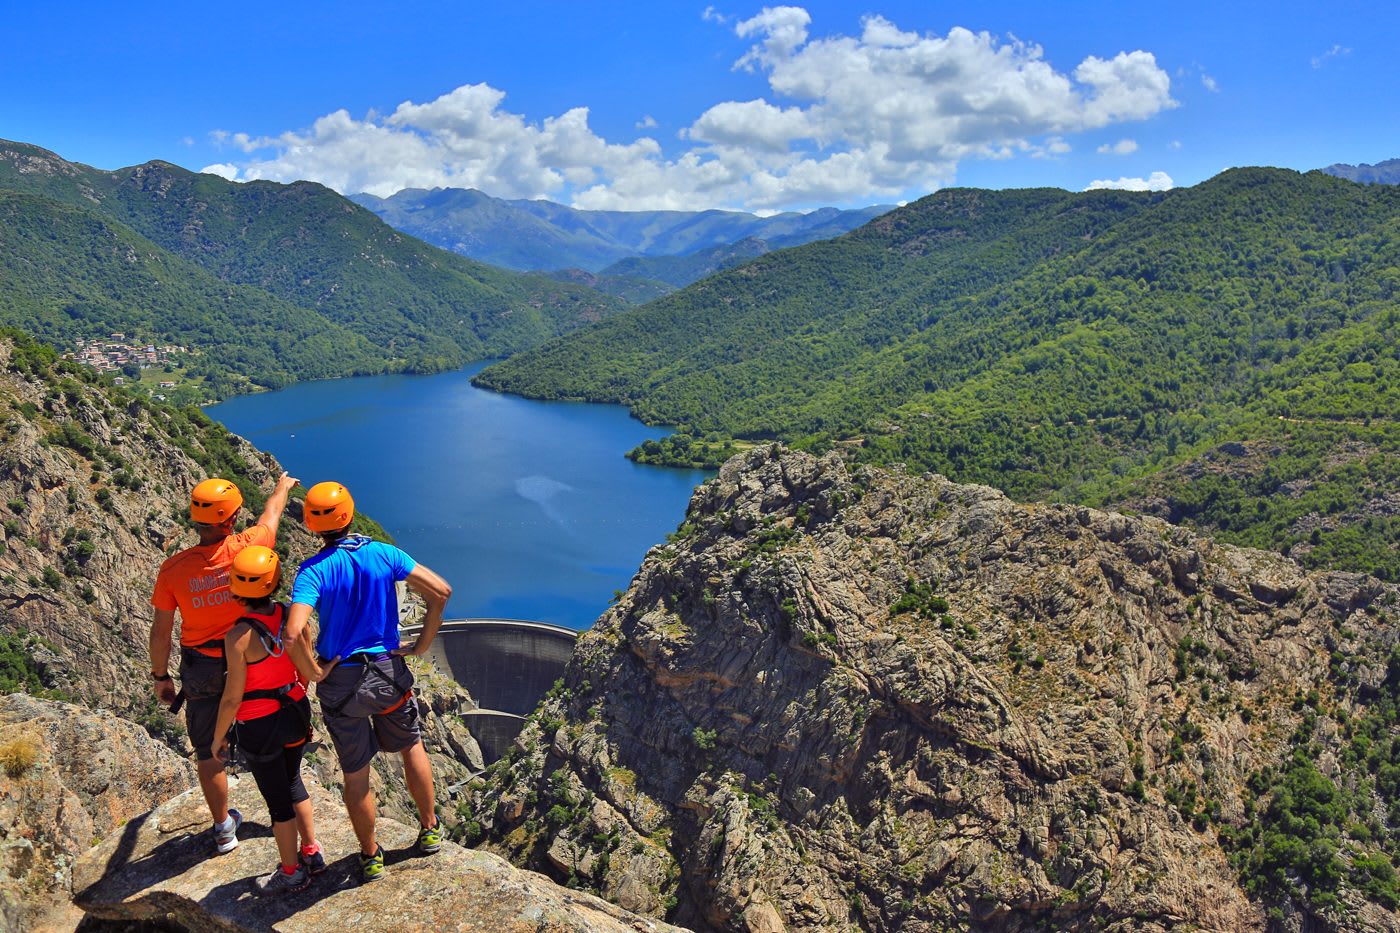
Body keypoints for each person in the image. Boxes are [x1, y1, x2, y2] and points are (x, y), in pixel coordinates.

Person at [284, 481, 452, 884]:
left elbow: (292, 633)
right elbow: (441, 592)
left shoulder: (313, 571)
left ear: (311, 525)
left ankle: (370, 855)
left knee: (356, 773)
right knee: (411, 746)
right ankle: (429, 829)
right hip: (388, 675)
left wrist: (313, 673)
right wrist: (420, 646)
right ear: (351, 514)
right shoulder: (384, 553)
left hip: (341, 685)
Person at [149, 472, 298, 855]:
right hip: (253, 659)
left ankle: (223, 829)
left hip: (202, 668)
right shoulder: (249, 547)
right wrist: (282, 487)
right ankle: (287, 817)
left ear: (195, 520)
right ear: (231, 520)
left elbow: (161, 632)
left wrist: (161, 677)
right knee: (270, 734)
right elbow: (273, 515)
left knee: (206, 750)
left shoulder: (173, 570)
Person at [212, 546, 323, 895]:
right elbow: (307, 669)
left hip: (258, 726)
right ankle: (312, 851)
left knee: (278, 802)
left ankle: (291, 872)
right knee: (293, 780)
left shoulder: (237, 638)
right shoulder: (293, 617)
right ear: (274, 583)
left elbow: (232, 696)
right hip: (294, 713)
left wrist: (218, 738)